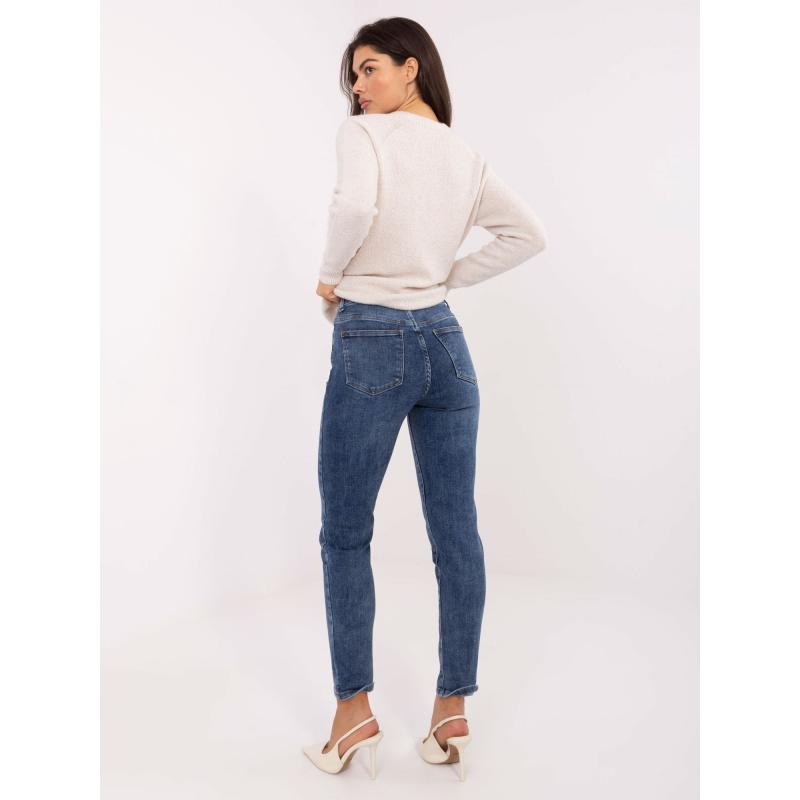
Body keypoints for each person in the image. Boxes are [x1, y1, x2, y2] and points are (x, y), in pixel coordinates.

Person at [303, 17, 548, 780]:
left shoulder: (364, 136)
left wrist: (330, 277)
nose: (357, 87)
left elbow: (353, 211)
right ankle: (452, 707)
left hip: (372, 335)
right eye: (352, 76)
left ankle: (353, 712)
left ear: (412, 68)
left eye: (369, 68)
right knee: (456, 533)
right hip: (444, 344)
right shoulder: (463, 156)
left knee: (346, 533)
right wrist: (443, 279)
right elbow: (526, 235)